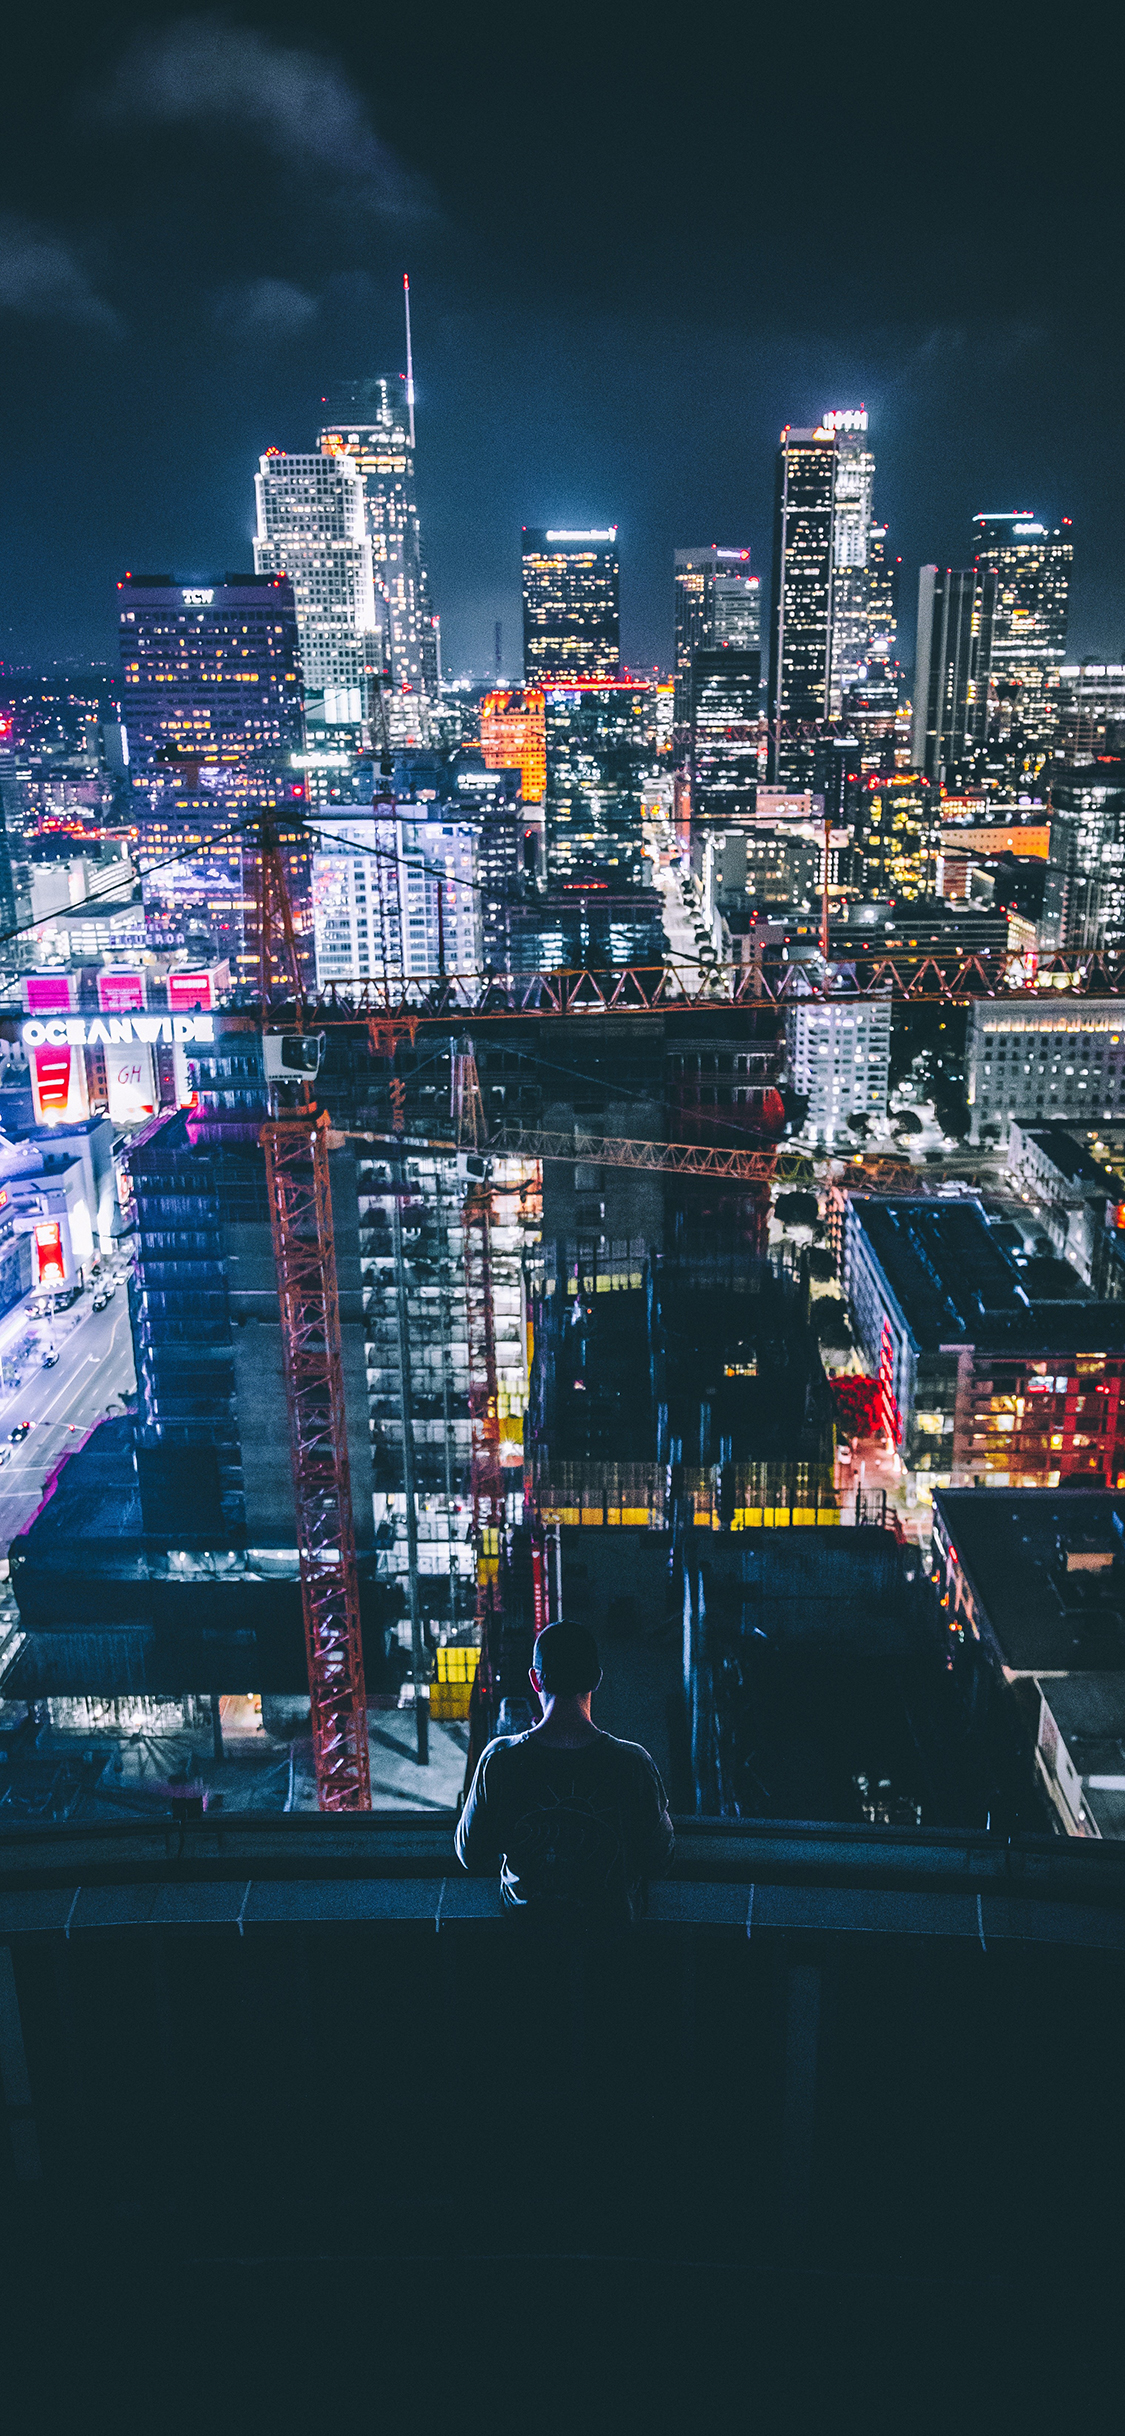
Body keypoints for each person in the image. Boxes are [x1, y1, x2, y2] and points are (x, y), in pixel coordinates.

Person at [454, 1620, 674, 1925]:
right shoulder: (634, 1763)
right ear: (596, 1679)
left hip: (527, 1935)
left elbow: (470, 1854)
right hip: (610, 1938)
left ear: (535, 1680)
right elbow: (660, 1859)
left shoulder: (499, 1759)